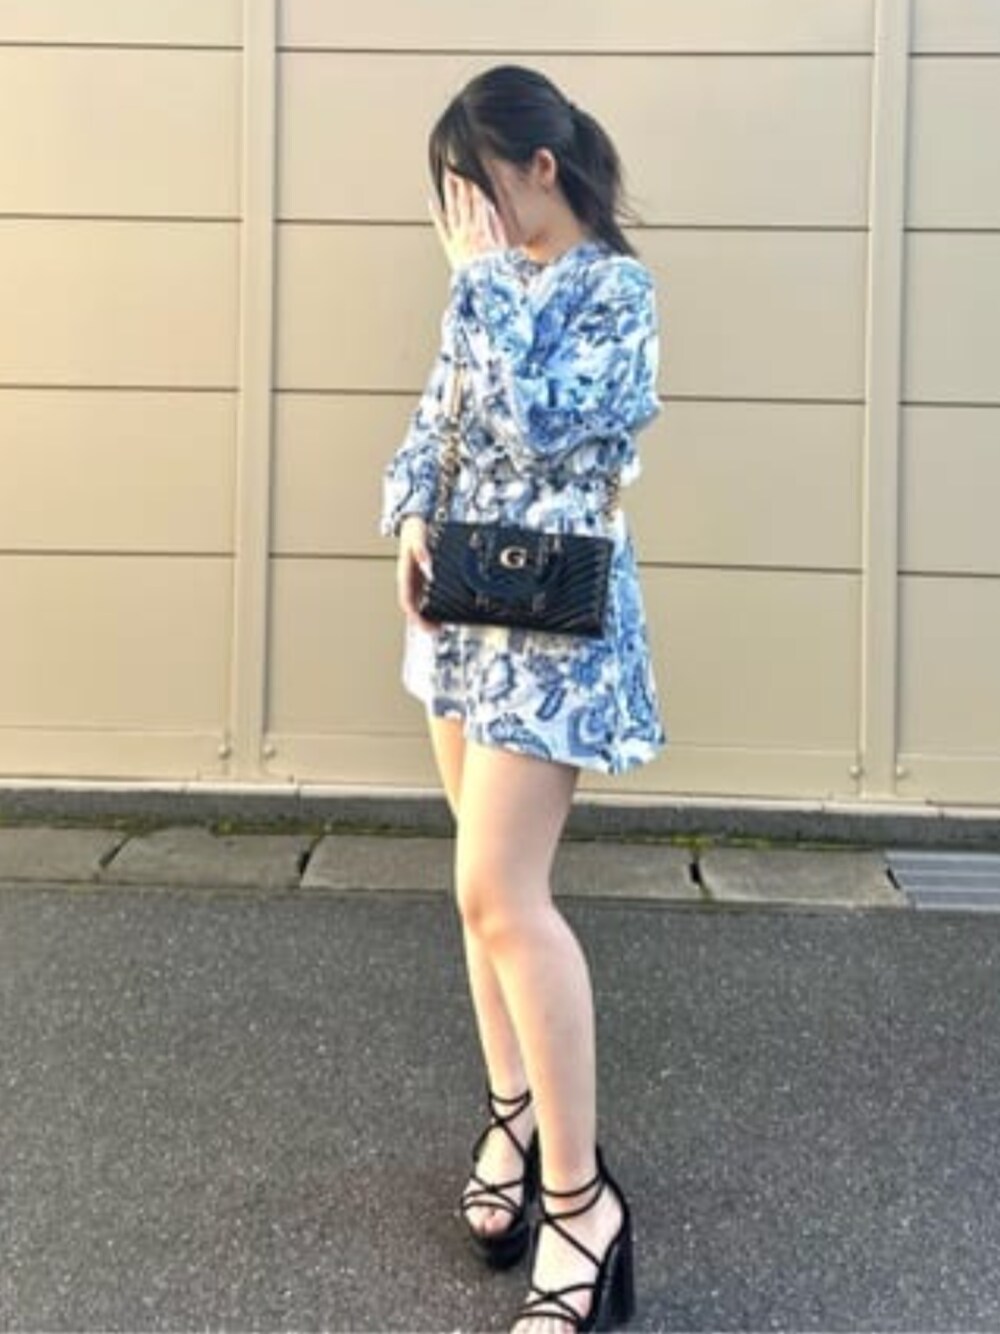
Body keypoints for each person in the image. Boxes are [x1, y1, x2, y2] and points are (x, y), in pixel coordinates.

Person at [380, 64, 665, 1333]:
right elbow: (438, 412)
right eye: (451, 197)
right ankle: (512, 1110)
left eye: (475, 186)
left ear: (540, 167)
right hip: (461, 609)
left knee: (507, 891)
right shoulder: (486, 282)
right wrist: (409, 512)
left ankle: (582, 1203)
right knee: (472, 891)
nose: (466, 216)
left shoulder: (615, 292)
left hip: (548, 621)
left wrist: (480, 282)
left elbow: (548, 429)